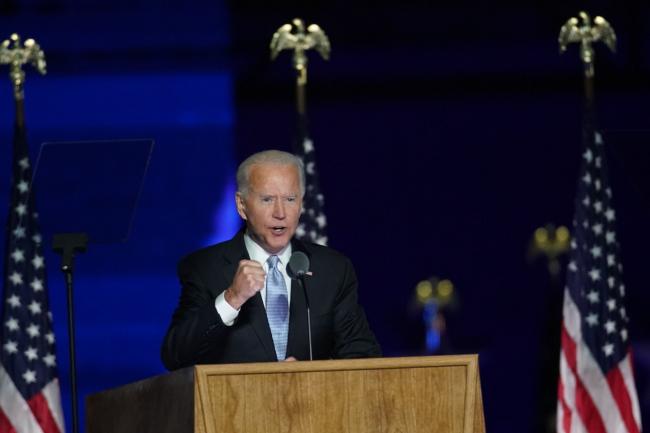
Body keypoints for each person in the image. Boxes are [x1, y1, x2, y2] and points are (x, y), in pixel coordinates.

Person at [161, 149, 381, 369]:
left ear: (302, 204)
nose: (280, 212)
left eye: (290, 199)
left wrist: (314, 376)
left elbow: (363, 357)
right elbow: (176, 356)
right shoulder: (204, 268)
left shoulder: (333, 269)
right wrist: (232, 298)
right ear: (242, 205)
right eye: (267, 199)